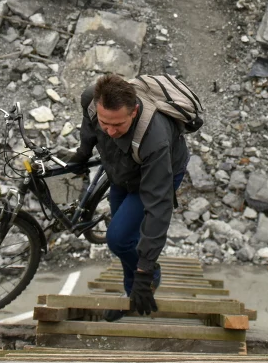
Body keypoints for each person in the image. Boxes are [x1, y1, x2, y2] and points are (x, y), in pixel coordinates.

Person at [67, 73, 189, 320]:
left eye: (118, 125)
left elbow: (158, 207)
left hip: (157, 172)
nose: (110, 131)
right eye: (105, 123)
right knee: (123, 238)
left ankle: (147, 277)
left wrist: (145, 269)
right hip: (121, 168)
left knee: (118, 239)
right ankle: (129, 292)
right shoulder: (91, 99)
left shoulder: (154, 139)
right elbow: (90, 126)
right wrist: (82, 153)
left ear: (134, 112)